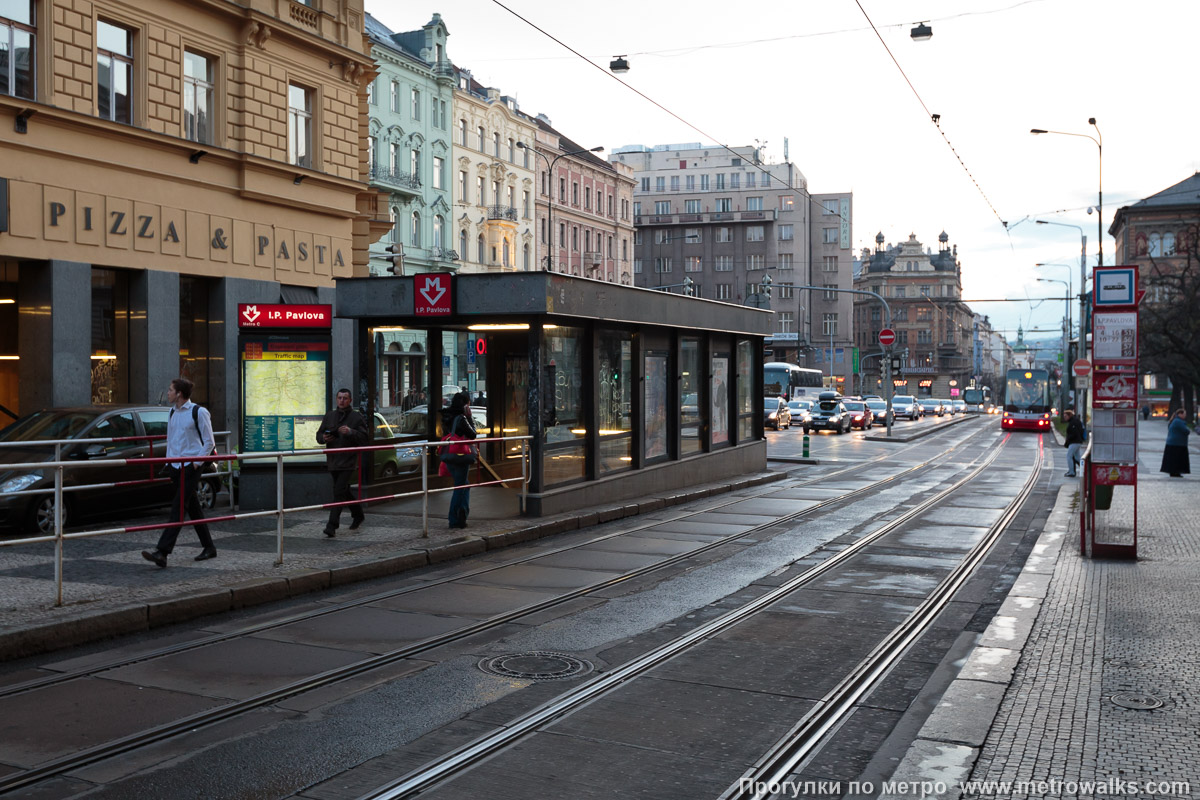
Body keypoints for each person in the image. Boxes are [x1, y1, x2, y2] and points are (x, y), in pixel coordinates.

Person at [142, 377, 217, 567]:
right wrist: (169, 462)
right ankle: (209, 547)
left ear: (179, 394)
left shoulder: (198, 412)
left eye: (170, 390)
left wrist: (196, 463)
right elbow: (172, 440)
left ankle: (162, 552)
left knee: (178, 507)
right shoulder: (171, 413)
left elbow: (209, 441)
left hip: (191, 467)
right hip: (175, 467)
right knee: (192, 507)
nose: (167, 393)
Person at [317, 388, 368, 536]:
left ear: (350, 400)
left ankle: (332, 525)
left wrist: (351, 432)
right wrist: (324, 438)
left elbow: (365, 437)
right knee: (343, 490)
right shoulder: (330, 416)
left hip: (348, 460)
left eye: (345, 398)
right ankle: (358, 514)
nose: (342, 400)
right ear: (336, 399)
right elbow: (319, 434)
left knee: (338, 491)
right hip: (333, 460)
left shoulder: (356, 417)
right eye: (340, 398)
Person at [441, 391, 477, 529]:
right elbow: (473, 434)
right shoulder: (461, 418)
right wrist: (470, 417)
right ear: (465, 404)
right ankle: (454, 518)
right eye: (468, 404)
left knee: (464, 485)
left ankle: (462, 513)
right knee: (460, 486)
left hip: (449, 454)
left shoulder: (446, 415)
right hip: (460, 455)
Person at [1161, 407, 1191, 478]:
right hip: (1178, 444)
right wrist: (1188, 429)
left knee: (1173, 460)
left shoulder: (1174, 420)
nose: (1185, 415)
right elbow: (1186, 431)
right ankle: (1176, 472)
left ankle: (1174, 472)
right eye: (1184, 414)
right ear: (1180, 414)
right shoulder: (1178, 421)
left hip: (1173, 444)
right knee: (1177, 459)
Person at [1063, 409, 1085, 477]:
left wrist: (1068, 441)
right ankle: (1085, 469)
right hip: (1077, 441)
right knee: (1077, 457)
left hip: (1074, 442)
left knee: (1069, 456)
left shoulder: (1073, 422)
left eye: (1066, 416)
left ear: (1069, 415)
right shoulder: (1075, 421)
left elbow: (1073, 433)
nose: (1065, 418)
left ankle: (1071, 472)